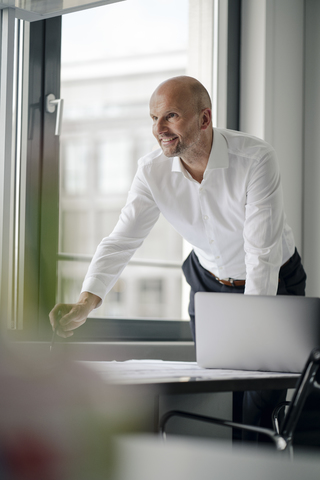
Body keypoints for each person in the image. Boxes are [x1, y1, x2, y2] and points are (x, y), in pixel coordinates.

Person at [49, 76, 306, 440]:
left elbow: (260, 255)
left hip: (273, 280)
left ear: (204, 119)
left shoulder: (256, 158)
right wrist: (84, 305)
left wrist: (254, 331)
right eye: (153, 119)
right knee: (218, 383)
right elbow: (122, 239)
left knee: (261, 398)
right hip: (207, 281)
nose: (159, 129)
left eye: (170, 116)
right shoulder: (151, 171)